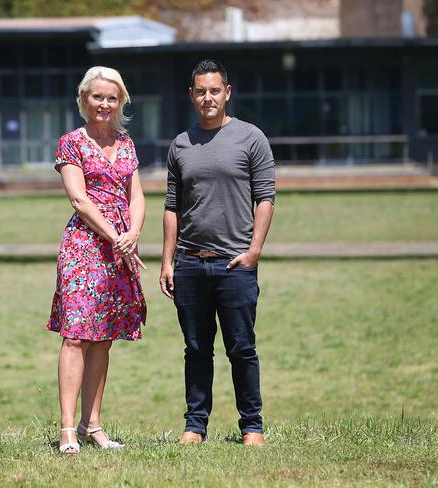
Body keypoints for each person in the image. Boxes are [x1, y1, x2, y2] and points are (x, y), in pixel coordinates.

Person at [160, 59, 275, 447]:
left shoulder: (251, 138)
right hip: (190, 264)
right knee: (196, 351)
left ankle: (252, 427)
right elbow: (172, 206)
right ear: (191, 95)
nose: (207, 97)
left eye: (214, 90)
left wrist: (254, 251)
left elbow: (266, 198)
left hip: (235, 264)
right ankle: (195, 426)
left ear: (227, 92)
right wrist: (167, 261)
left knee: (242, 349)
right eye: (200, 91)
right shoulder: (180, 144)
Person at [47, 66, 147, 455]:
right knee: (76, 336)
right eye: (97, 96)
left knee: (103, 339)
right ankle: (68, 430)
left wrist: (132, 235)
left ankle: (94, 426)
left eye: (111, 97)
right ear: (84, 99)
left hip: (120, 246)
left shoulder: (126, 143)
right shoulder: (71, 142)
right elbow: (79, 199)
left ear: (120, 101)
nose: (104, 104)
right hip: (84, 246)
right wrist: (115, 237)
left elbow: (136, 196)